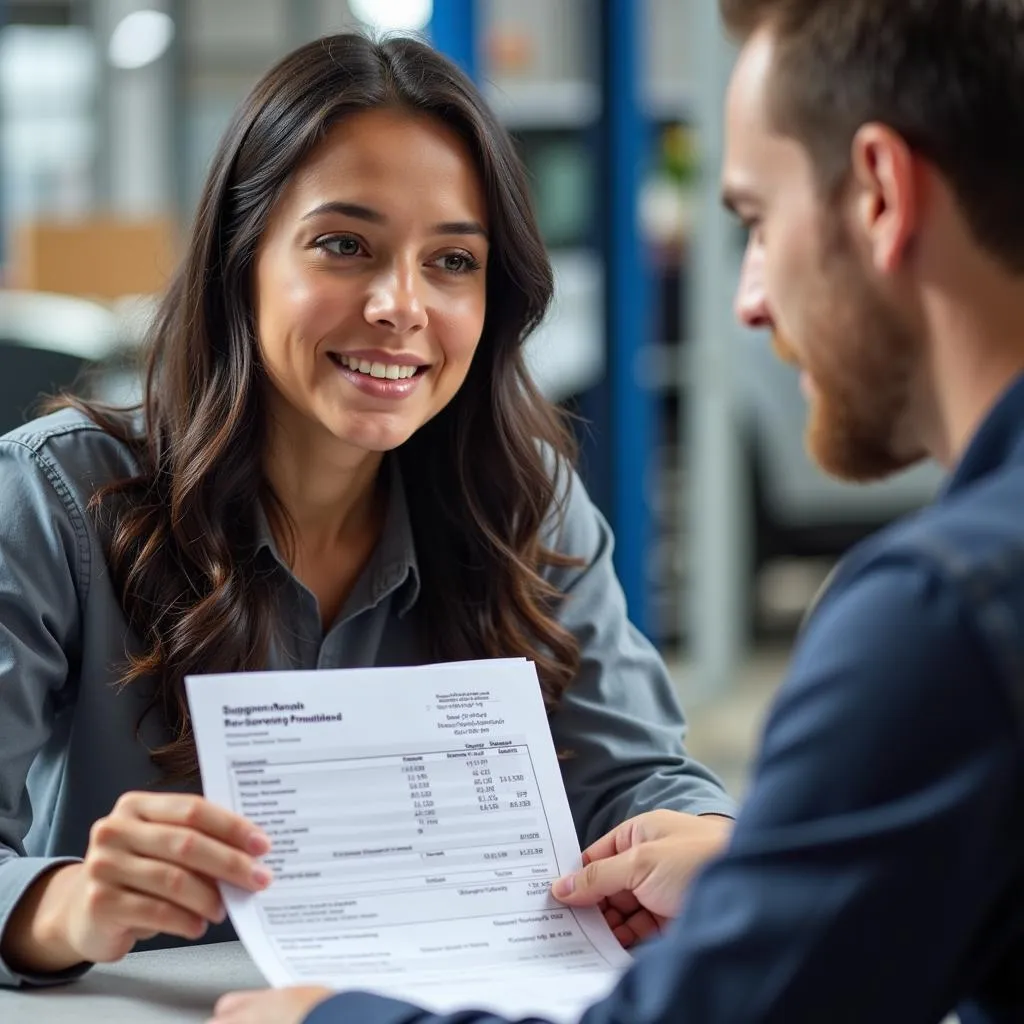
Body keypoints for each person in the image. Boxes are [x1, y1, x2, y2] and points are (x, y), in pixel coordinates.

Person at [209, 1, 1024, 1022]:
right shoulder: (57, 495)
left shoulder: (946, 611)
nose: (748, 299)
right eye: (341, 246)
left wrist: (333, 1020)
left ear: (878, 196)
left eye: (756, 222)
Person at [0, 33, 735, 989]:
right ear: (241, 256)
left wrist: (714, 842)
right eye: (344, 245)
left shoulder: (528, 505)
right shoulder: (54, 499)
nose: (401, 305)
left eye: (453, 261)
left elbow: (638, 780)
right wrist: (67, 905)